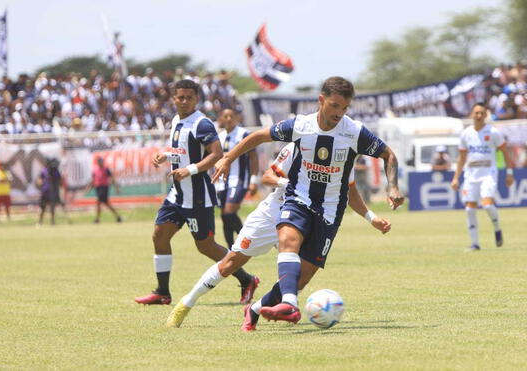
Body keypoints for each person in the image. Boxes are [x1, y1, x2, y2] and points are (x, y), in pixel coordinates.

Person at [212, 76, 403, 324]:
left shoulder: (354, 132)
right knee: (288, 239)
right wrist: (228, 158)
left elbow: (389, 155)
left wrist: (393, 187)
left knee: (301, 277)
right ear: (321, 100)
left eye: (344, 108)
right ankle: (290, 305)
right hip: (298, 198)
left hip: (331, 211)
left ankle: (256, 309)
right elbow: (259, 136)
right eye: (334, 106)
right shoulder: (301, 125)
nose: (339, 113)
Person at [165, 143, 391, 328]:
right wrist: (291, 184)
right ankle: (186, 303)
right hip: (273, 213)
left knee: (300, 278)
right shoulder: (299, 145)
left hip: (310, 218)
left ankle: (255, 309)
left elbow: (350, 191)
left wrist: (372, 218)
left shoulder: (344, 155)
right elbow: (267, 176)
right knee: (230, 263)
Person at [134, 79, 258, 306]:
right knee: (159, 235)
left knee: (206, 247)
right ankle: (162, 292)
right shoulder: (176, 121)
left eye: (189, 97)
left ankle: (248, 280)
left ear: (196, 99)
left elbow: (216, 154)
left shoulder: (202, 124)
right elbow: (183, 152)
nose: (184, 101)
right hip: (177, 195)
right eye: (180, 97)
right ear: (174, 99)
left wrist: (189, 170)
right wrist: (166, 156)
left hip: (198, 197)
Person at [451, 103, 514, 251]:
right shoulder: (466, 134)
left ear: (486, 115)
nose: (479, 116)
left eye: (482, 113)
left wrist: (509, 173)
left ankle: (497, 227)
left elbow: (505, 153)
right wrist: (455, 178)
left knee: (487, 204)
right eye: (476, 113)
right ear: (471, 115)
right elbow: (461, 158)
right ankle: (475, 244)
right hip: (471, 175)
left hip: (488, 174)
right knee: (469, 209)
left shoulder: (493, 132)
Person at [215, 108, 259, 249]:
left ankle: (245, 240)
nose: (228, 119)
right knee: (224, 216)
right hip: (222, 182)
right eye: (225, 116)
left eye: (231, 116)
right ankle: (230, 249)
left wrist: (253, 180)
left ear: (236, 118)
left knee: (229, 212)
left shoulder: (243, 134)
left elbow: (253, 158)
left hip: (239, 179)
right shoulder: (219, 137)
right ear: (220, 119)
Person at [87, 156, 122, 223]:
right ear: (98, 163)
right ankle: (118, 217)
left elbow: (112, 178)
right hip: (98, 188)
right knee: (106, 204)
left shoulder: (106, 169)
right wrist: (89, 187)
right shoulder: (95, 170)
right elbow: (93, 180)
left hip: (104, 187)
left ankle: (97, 219)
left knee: (99, 202)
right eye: (100, 162)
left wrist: (116, 188)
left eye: (102, 162)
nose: (101, 163)